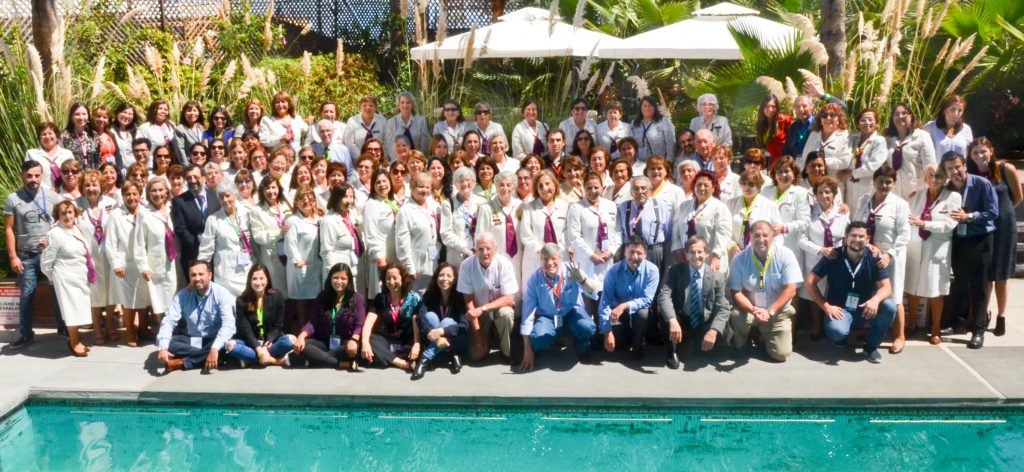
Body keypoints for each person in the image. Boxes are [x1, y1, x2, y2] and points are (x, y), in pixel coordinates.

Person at [803, 221, 897, 363]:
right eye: (853, 235)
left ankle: (871, 347)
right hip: (840, 309)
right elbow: (810, 282)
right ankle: (841, 337)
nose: (857, 239)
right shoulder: (833, 255)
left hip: (865, 308)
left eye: (861, 236)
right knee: (837, 333)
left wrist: (875, 300)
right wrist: (826, 306)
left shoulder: (874, 257)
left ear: (868, 239)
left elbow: (887, 288)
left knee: (889, 307)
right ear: (846, 237)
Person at [942, 151, 998, 349]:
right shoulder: (947, 188)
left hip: (980, 239)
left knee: (979, 286)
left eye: (957, 166)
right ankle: (958, 323)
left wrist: (970, 216)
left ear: (964, 165)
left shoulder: (982, 184)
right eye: (950, 168)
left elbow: (993, 212)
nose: (954, 171)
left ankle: (978, 330)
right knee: (960, 282)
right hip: (958, 239)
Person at [852, 165, 910, 354]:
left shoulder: (899, 204)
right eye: (880, 181)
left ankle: (899, 336)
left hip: (889, 257)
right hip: (866, 256)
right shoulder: (864, 200)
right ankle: (872, 332)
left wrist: (888, 254)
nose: (884, 185)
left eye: (888, 182)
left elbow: (904, 234)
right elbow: (856, 224)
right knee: (870, 294)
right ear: (874, 181)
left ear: (894, 184)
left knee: (894, 296)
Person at [727, 221, 802, 362]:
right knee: (736, 315)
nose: (761, 239)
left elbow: (791, 290)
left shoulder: (786, 255)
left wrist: (770, 311)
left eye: (765, 235)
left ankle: (763, 335)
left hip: (776, 311)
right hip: (750, 310)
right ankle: (743, 341)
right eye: (756, 235)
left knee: (781, 355)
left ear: (773, 236)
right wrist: (753, 309)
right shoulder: (739, 259)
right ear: (750, 237)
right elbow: (735, 292)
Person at [967, 138, 1020, 336]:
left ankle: (1001, 316)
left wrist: (1002, 213)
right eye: (975, 152)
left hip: (1005, 225)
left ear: (991, 151)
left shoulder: (1005, 169)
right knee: (986, 273)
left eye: (983, 151)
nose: (979, 156)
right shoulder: (972, 174)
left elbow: (1018, 197)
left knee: (1002, 274)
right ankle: (983, 315)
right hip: (983, 226)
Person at [519, 243, 599, 370]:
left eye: (553, 258)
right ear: (540, 260)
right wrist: (527, 350)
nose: (549, 263)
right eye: (545, 259)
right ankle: (543, 346)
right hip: (548, 317)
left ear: (561, 259)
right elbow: (527, 314)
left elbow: (593, 292)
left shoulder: (572, 270)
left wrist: (583, 280)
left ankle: (581, 348)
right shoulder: (534, 280)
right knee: (538, 337)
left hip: (572, 313)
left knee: (587, 327)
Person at [904, 167, 961, 345]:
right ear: (926, 178)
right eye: (931, 176)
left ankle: (936, 329)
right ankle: (912, 324)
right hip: (915, 245)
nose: (934, 179)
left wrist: (925, 224)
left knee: (935, 289)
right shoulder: (917, 195)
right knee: (912, 287)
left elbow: (949, 224)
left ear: (945, 179)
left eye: (939, 176)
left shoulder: (953, 197)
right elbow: (907, 216)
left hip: (937, 248)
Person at [658, 236, 732, 368]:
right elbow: (664, 296)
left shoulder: (717, 276)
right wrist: (673, 320)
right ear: (686, 254)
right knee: (665, 314)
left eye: (700, 252)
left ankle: (697, 341)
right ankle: (672, 350)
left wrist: (713, 331)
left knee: (710, 348)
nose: (696, 256)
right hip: (682, 318)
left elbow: (723, 307)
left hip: (703, 320)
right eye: (692, 252)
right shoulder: (675, 271)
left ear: (706, 253)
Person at [156, 261, 236, 374]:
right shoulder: (182, 295)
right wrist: (163, 348)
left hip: (214, 339)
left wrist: (215, 348)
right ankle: (208, 356)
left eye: (201, 274)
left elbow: (229, 325)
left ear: (210, 275)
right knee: (167, 343)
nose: (197, 278)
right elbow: (169, 321)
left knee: (227, 345)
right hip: (196, 340)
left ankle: (183, 362)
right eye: (193, 275)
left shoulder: (221, 294)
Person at [41, 200, 95, 357]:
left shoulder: (78, 229)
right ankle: (74, 342)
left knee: (79, 309)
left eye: (70, 212)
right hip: (65, 277)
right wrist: (52, 278)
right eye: (63, 213)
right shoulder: (55, 233)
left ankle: (76, 339)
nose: (67, 216)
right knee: (71, 310)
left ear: (75, 213)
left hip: (80, 276)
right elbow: (46, 261)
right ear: (57, 216)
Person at [797, 176, 849, 339]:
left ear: (834, 194)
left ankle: (834, 324)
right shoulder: (809, 213)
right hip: (815, 259)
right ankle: (816, 326)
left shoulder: (843, 213)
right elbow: (801, 240)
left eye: (828, 192)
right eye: (820, 192)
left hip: (836, 259)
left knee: (834, 291)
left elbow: (848, 236)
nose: (824, 195)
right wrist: (820, 250)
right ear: (815, 195)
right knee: (815, 292)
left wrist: (840, 250)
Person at [457, 233, 518, 363]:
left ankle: (505, 351)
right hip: (479, 314)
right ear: (475, 250)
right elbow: (469, 302)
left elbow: (509, 298)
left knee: (506, 314)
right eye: (480, 249)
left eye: (488, 248)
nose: (485, 253)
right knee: (476, 355)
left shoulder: (504, 264)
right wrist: (478, 336)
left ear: (495, 249)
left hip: (498, 309)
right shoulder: (466, 266)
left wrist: (483, 308)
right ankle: (490, 336)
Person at [566, 172, 620, 317]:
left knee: (605, 302)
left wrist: (611, 251)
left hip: (607, 260)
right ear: (583, 188)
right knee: (588, 303)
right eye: (589, 188)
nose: (593, 191)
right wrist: (591, 255)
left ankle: (604, 329)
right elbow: (574, 236)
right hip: (587, 262)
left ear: (602, 188)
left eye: (596, 187)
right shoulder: (576, 208)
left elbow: (618, 232)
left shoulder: (611, 206)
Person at [293, 263, 365, 370]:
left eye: (343, 278)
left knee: (353, 349)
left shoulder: (357, 298)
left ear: (349, 280)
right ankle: (340, 364)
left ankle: (317, 359)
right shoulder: (322, 296)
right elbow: (313, 321)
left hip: (346, 343)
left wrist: (354, 340)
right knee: (304, 346)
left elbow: (359, 325)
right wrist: (301, 336)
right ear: (330, 279)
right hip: (324, 342)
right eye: (335, 278)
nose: (339, 281)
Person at [598, 235, 659, 360]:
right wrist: (607, 332)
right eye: (631, 252)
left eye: (639, 253)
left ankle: (638, 343)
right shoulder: (614, 271)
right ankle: (623, 336)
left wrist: (624, 305)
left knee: (643, 314)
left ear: (645, 254)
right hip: (618, 314)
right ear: (625, 252)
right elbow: (605, 301)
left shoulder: (652, 270)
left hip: (638, 312)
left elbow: (647, 300)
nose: (635, 257)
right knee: (614, 345)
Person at [75, 170, 117, 345]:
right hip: (89, 257)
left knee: (111, 292)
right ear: (82, 187)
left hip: (109, 255)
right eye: (87, 185)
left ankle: (110, 326)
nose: (91, 188)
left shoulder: (111, 203)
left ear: (102, 186)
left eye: (94, 185)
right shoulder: (76, 205)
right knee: (94, 294)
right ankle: (97, 330)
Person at [104, 182, 148, 347]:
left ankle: (143, 328)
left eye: (134, 194)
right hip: (125, 264)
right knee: (129, 301)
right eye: (128, 194)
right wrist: (116, 264)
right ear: (122, 196)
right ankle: (129, 331)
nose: (131, 197)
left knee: (144, 298)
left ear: (140, 195)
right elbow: (110, 243)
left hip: (143, 262)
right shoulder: (115, 215)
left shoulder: (145, 211)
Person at [133, 179, 177, 340]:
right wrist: (143, 266)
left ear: (167, 191)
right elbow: (139, 243)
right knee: (161, 302)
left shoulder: (174, 208)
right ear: (148, 193)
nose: (157, 194)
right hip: (157, 264)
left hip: (176, 263)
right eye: (153, 191)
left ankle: (177, 333)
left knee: (176, 299)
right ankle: (165, 335)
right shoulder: (144, 214)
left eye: (161, 190)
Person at [225, 264, 293, 367]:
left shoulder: (276, 296)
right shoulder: (242, 300)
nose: (258, 282)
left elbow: (278, 326)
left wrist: (265, 346)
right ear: (249, 281)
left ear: (267, 280)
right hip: (251, 343)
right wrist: (258, 348)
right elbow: (245, 329)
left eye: (261, 278)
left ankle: (251, 359)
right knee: (230, 346)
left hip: (270, 343)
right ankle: (272, 360)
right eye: (254, 279)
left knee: (290, 340)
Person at [197, 182, 254, 297]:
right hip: (226, 275)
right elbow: (206, 250)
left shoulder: (247, 214)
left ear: (235, 195)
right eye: (221, 197)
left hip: (248, 269)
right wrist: (199, 271)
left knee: (249, 303)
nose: (225, 200)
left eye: (227, 195)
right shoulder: (213, 220)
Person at [361, 263, 421, 371]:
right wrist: (365, 343)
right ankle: (401, 363)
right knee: (370, 340)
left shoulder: (413, 298)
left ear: (403, 278)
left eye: (395, 278)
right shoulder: (380, 298)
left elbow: (416, 323)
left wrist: (417, 343)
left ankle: (384, 358)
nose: (391, 282)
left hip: (405, 341)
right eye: (388, 278)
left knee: (418, 348)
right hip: (385, 341)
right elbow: (368, 323)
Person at [413, 263, 469, 379]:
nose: (445, 279)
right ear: (436, 277)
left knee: (448, 321)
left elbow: (464, 325)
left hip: (455, 339)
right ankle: (452, 354)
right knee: (430, 316)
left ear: (455, 279)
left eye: (449, 276)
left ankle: (426, 358)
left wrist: (442, 331)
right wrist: (431, 332)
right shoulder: (429, 294)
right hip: (433, 337)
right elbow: (420, 317)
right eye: (441, 275)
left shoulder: (460, 297)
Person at [518, 170, 570, 290]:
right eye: (540, 186)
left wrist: (558, 250)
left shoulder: (565, 206)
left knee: (560, 290)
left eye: (547, 184)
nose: (544, 188)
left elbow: (567, 232)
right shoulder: (529, 207)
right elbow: (526, 234)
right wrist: (543, 251)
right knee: (536, 292)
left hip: (559, 255)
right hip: (535, 257)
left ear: (555, 185)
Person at [673, 171, 731, 273]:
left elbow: (723, 234)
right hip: (687, 259)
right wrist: (678, 251)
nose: (702, 188)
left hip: (710, 262)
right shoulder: (684, 206)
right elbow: (676, 230)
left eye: (706, 185)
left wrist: (716, 256)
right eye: (699, 184)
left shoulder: (720, 208)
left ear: (713, 188)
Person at [762, 155, 812, 274]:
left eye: (787, 171)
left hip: (790, 246)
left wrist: (784, 227)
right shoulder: (766, 191)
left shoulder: (801, 193)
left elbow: (805, 221)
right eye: (779, 172)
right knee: (768, 280)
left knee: (790, 281)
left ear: (794, 174)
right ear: (774, 174)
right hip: (768, 244)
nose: (783, 175)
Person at [395, 172, 442, 293]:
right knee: (417, 298)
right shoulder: (405, 211)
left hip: (434, 262)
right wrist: (409, 268)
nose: (425, 190)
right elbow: (402, 243)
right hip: (417, 268)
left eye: (428, 187)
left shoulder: (434, 205)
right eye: (421, 186)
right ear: (412, 187)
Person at [171, 164, 221, 276]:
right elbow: (180, 229)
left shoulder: (216, 197)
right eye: (189, 178)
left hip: (217, 255)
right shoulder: (179, 201)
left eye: (195, 177)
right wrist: (200, 246)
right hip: (193, 255)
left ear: (203, 177)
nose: (192, 181)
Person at [285, 188, 323, 331]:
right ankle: (302, 335)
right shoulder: (293, 220)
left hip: (317, 267)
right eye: (302, 198)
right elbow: (291, 244)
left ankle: (314, 334)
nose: (307, 201)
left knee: (317, 302)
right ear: (296, 202)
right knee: (303, 303)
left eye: (310, 198)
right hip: (301, 267)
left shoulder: (319, 219)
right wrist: (298, 263)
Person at [617, 176, 672, 274]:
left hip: (653, 251)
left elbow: (667, 232)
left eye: (643, 188)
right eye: (636, 188)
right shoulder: (623, 207)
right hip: (630, 251)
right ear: (631, 192)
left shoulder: (660, 206)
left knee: (653, 279)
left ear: (650, 190)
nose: (640, 192)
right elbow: (619, 232)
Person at [839, 108, 888, 214]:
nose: (867, 123)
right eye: (863, 120)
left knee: (865, 215)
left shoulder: (879, 142)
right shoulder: (853, 139)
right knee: (849, 215)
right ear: (858, 124)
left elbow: (873, 166)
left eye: (870, 120)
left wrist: (850, 173)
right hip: (850, 187)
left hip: (868, 187)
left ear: (877, 123)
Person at [249, 177, 292, 299]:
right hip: (271, 255)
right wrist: (279, 233)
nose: (271, 191)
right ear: (262, 191)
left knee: (292, 289)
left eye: (274, 187)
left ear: (279, 189)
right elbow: (258, 236)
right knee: (277, 290)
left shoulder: (285, 204)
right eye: (267, 188)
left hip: (288, 252)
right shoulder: (257, 210)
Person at [474, 171, 523, 275]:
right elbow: (480, 236)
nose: (505, 188)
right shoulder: (486, 208)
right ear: (496, 187)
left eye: (508, 185)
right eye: (501, 185)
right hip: (495, 260)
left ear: (514, 187)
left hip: (519, 259)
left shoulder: (521, 206)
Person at [884, 102, 936, 199]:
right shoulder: (887, 139)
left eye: (904, 113)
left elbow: (930, 167)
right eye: (896, 114)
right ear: (892, 118)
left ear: (911, 116)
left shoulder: (922, 137)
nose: (900, 116)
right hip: (893, 194)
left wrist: (923, 191)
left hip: (916, 194)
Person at [363, 169, 399, 299]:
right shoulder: (371, 205)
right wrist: (380, 258)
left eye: (385, 181)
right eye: (378, 182)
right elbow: (370, 234)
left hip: (394, 255)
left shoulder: (393, 202)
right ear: (373, 186)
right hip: (381, 258)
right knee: (381, 296)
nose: (382, 185)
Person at [320, 183, 362, 290]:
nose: (349, 200)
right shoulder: (329, 221)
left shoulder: (350, 216)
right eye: (345, 196)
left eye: (351, 196)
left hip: (350, 270)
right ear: (336, 198)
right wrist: (334, 277)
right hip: (337, 276)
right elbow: (326, 251)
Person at [728, 170, 781, 255]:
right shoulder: (731, 203)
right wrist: (732, 244)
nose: (747, 187)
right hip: (735, 254)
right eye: (743, 184)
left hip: (761, 254)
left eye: (751, 184)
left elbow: (777, 234)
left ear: (759, 186)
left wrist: (770, 253)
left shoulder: (770, 206)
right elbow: (725, 229)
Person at [442, 167, 486, 266]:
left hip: (478, 254)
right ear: (455, 184)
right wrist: (464, 249)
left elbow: (485, 228)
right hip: (456, 255)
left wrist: (477, 248)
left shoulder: (482, 202)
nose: (465, 183)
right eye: (461, 181)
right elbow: (446, 233)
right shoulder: (448, 203)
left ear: (474, 182)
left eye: (468, 180)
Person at [800, 102, 851, 176]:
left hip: (832, 180)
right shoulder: (813, 135)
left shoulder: (845, 136)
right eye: (824, 115)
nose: (828, 118)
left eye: (832, 115)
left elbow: (845, 162)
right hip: (812, 180)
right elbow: (805, 157)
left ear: (839, 119)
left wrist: (821, 161)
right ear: (820, 120)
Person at [25, 122, 74, 192]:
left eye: (50, 133)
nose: (47, 137)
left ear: (56, 135)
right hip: (41, 193)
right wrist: (48, 191)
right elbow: (28, 176)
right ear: (39, 138)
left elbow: (74, 174)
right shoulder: (31, 154)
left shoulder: (67, 153)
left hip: (66, 193)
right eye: (44, 134)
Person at [384, 92, 430, 162]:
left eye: (408, 102)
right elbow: (389, 146)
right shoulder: (391, 122)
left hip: (416, 161)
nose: (405, 105)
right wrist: (398, 162)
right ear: (398, 105)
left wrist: (419, 160)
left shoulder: (421, 121)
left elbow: (424, 144)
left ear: (412, 104)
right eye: (402, 102)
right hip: (398, 162)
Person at [631, 96, 675, 167]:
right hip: (639, 164)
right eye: (645, 106)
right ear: (640, 108)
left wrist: (669, 162)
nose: (647, 108)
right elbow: (631, 143)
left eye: (650, 106)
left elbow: (671, 144)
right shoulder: (634, 123)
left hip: (659, 163)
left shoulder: (664, 122)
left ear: (655, 107)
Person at [61, 102, 100, 170]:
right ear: (72, 117)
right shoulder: (64, 136)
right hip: (73, 174)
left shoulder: (94, 135)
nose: (81, 117)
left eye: (84, 114)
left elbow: (98, 159)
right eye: (77, 114)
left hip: (91, 175)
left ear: (88, 117)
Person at [756, 95, 793, 165]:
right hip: (773, 161)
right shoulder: (762, 123)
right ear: (762, 108)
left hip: (786, 162)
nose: (770, 109)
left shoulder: (785, 120)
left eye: (773, 106)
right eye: (767, 106)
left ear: (777, 107)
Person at [112, 104, 140, 170]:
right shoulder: (111, 131)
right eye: (124, 112)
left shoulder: (136, 132)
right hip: (117, 169)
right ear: (117, 113)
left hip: (134, 170)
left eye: (130, 114)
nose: (127, 116)